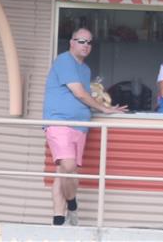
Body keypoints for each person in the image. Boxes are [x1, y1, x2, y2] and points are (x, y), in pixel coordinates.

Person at [43, 28, 127, 227]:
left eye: (89, 42)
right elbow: (80, 93)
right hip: (60, 122)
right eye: (81, 41)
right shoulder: (64, 60)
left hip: (80, 126)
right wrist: (104, 109)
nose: (86, 45)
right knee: (69, 166)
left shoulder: (86, 69)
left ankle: (58, 221)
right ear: (71, 43)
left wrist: (102, 104)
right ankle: (72, 204)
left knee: (63, 172)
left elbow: (86, 95)